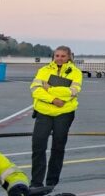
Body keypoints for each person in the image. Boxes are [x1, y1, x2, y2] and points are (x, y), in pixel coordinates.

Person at [29, 46, 83, 187]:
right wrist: (54, 99)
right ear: (53, 56)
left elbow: (73, 91)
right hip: (44, 112)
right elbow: (35, 90)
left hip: (64, 113)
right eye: (57, 55)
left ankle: (51, 183)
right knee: (38, 147)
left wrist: (49, 88)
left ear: (69, 57)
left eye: (63, 56)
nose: (59, 58)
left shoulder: (76, 73)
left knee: (58, 148)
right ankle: (36, 183)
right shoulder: (43, 70)